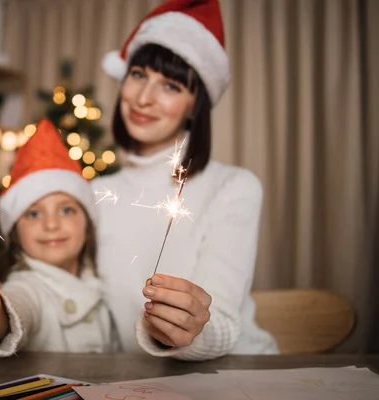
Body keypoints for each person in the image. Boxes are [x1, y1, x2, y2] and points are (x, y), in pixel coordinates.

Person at [93, 0, 278, 359]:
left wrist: (183, 332)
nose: (144, 98)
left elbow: (222, 323)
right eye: (138, 75)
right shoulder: (96, 193)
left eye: (172, 87)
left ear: (196, 105)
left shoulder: (234, 187)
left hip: (237, 376)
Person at [0, 119, 116, 356]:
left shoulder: (99, 277)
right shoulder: (28, 285)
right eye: (34, 213)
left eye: (66, 209)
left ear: (87, 222)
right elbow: (19, 307)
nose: (51, 224)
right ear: (15, 233)